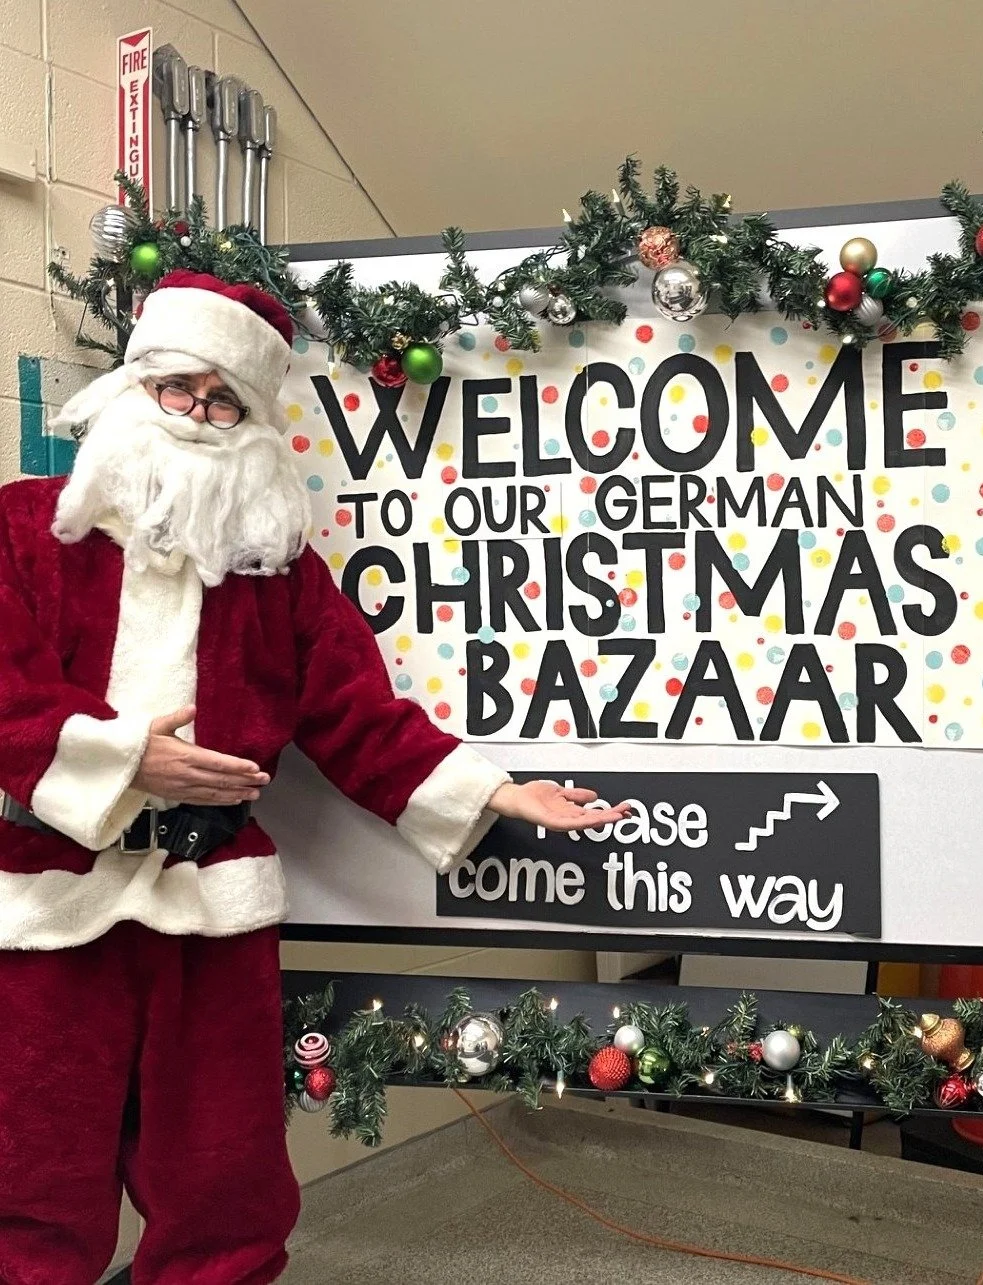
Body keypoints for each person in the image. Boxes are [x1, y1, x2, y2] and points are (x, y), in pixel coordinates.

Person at [0, 269, 628, 1285]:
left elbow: (355, 715)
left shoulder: (276, 574)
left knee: (222, 1171)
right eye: (180, 392)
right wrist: (124, 758)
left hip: (212, 903)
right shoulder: (27, 530)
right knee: (31, 1167)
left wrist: (496, 791)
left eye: (225, 402)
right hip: (47, 894)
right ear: (136, 387)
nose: (200, 419)